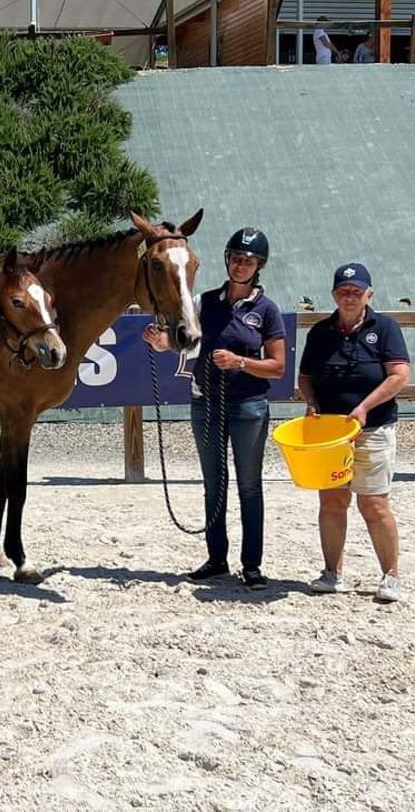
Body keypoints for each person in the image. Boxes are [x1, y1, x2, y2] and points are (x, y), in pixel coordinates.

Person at [143, 228, 287, 590]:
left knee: (250, 486)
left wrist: (241, 362)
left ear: (258, 266)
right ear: (227, 260)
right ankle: (217, 558)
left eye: (248, 261)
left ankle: (252, 564)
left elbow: (277, 366)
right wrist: (162, 343)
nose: (240, 265)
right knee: (213, 484)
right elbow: (187, 342)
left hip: (248, 406)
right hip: (206, 402)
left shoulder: (266, 311)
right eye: (236, 258)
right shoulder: (204, 302)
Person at [298, 263, 411, 603]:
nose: (349, 297)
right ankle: (332, 572)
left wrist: (364, 407)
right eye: (343, 291)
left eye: (356, 292)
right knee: (332, 502)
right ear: (334, 294)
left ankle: (391, 575)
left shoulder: (386, 328)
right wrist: (311, 401)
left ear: (369, 294)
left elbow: (399, 375)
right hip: (330, 434)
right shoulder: (320, 332)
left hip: (373, 428)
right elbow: (305, 376)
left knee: (374, 503)